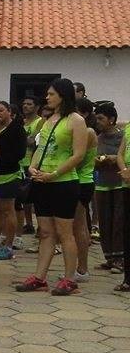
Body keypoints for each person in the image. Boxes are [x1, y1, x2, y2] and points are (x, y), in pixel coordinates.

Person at [15, 78, 88, 296]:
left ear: (63, 96)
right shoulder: (48, 121)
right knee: (45, 232)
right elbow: (40, 148)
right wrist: (33, 168)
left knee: (65, 233)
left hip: (64, 183)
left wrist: (54, 174)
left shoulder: (76, 120)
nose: (47, 97)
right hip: (42, 182)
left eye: (51, 94)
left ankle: (69, 279)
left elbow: (78, 154)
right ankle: (39, 277)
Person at [0, 102, 26, 261]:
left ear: (9, 112)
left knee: (8, 209)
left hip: (10, 175)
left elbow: (20, 153)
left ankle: (9, 246)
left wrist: (0, 160)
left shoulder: (17, 129)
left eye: (1, 110)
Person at [93, 104, 124, 273]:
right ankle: (109, 257)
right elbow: (92, 160)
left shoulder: (122, 137)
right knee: (105, 221)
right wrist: (97, 161)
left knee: (119, 221)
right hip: (103, 183)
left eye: (101, 118)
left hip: (120, 184)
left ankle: (120, 259)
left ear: (111, 120)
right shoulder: (98, 138)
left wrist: (114, 158)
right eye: (96, 118)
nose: (98, 122)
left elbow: (124, 157)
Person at [70, 98, 98, 283]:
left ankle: (82, 268)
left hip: (83, 181)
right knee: (74, 226)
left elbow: (76, 157)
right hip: (76, 180)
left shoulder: (87, 132)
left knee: (79, 225)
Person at [18, 97, 43, 235]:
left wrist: (19, 138)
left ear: (37, 107)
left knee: (34, 196)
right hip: (21, 162)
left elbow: (33, 141)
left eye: (29, 104)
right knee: (23, 197)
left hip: (33, 162)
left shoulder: (40, 122)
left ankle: (40, 225)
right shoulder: (22, 122)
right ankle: (28, 224)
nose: (26, 106)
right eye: (24, 104)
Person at [115, 119, 130, 291]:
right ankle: (128, 278)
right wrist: (124, 170)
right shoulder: (128, 128)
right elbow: (120, 153)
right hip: (126, 184)